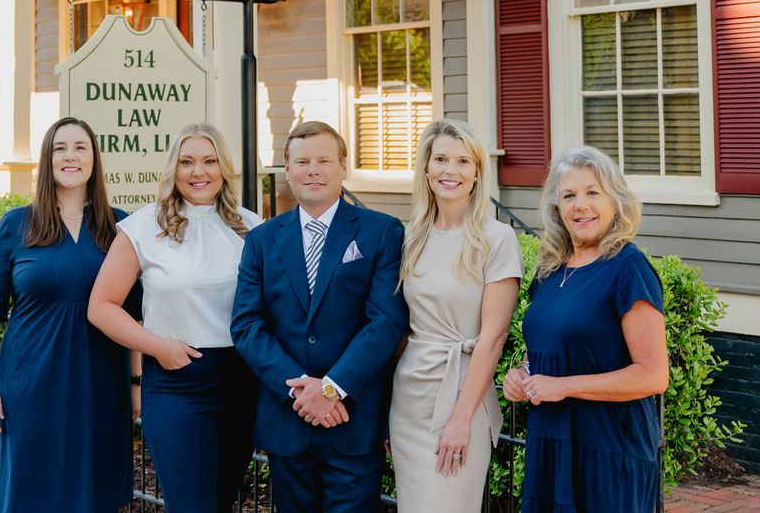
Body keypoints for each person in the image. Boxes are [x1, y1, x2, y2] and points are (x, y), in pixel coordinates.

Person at [231, 120, 408, 513]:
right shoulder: (261, 239)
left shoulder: (381, 231)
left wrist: (330, 389)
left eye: (324, 160)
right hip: (288, 419)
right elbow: (246, 325)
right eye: (302, 161)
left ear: (343, 167)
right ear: (287, 169)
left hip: (353, 419)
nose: (313, 170)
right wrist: (300, 391)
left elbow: (385, 322)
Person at [88, 123, 262, 513]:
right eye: (187, 162)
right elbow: (101, 306)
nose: (198, 172)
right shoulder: (144, 226)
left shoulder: (252, 228)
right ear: (173, 169)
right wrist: (159, 347)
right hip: (177, 381)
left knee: (222, 503)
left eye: (209, 161)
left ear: (224, 168)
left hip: (240, 382)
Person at [0, 117, 134, 513]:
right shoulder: (16, 225)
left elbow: (136, 313)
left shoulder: (121, 227)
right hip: (30, 384)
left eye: (80, 147)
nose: (70, 156)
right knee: (32, 489)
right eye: (60, 148)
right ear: (47, 159)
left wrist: (136, 382)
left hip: (101, 381)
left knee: (94, 488)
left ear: (94, 159)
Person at [502, 146, 669, 513]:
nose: (581, 205)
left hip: (609, 449)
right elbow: (549, 346)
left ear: (615, 201)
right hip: (552, 442)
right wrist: (523, 374)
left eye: (593, 192)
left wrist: (562, 386)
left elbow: (653, 376)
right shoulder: (550, 270)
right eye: (569, 196)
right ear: (556, 209)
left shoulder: (629, 269)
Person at [389, 119, 523, 512]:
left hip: (461, 394)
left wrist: (461, 418)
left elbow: (494, 337)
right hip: (409, 396)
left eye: (463, 161)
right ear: (426, 169)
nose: (451, 170)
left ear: (478, 171)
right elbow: (401, 328)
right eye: (442, 159)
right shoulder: (411, 235)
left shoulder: (496, 238)